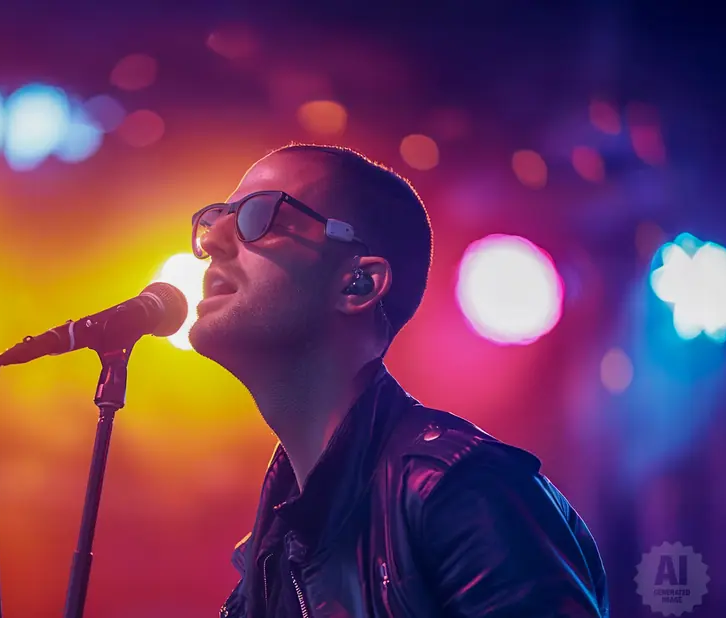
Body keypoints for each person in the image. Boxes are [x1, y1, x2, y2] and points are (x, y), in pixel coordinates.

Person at [187, 143, 609, 618]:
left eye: (257, 215)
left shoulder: (460, 492)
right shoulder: (269, 558)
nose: (212, 240)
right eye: (217, 216)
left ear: (358, 284)